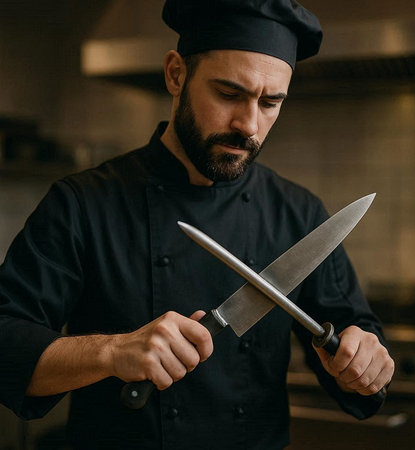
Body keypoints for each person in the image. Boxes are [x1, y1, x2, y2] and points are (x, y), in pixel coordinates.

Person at [0, 0, 394, 449]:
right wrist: (110, 353)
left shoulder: (299, 214)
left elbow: (354, 341)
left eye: (270, 103)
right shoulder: (82, 203)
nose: (249, 125)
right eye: (229, 94)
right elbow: (6, 339)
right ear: (175, 75)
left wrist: (364, 361)